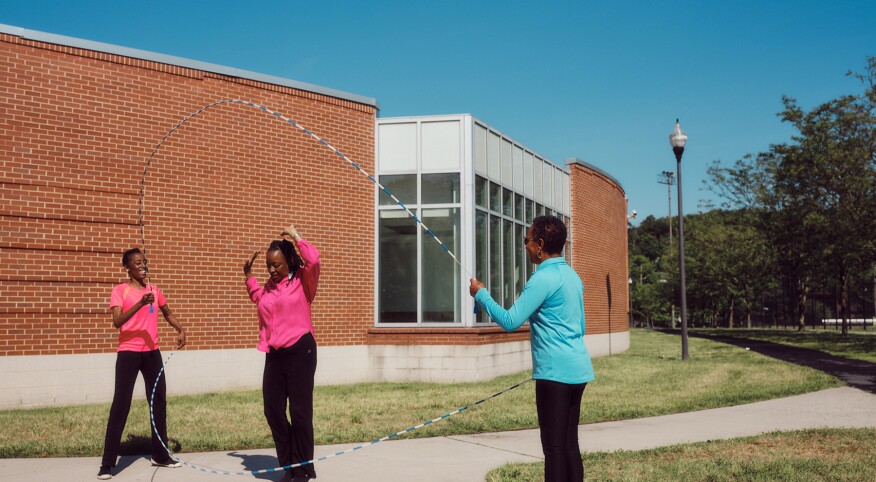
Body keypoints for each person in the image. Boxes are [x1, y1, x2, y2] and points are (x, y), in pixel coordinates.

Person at [469, 215, 594, 482]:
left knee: (554, 448)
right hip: (579, 370)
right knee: (569, 444)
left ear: (539, 244)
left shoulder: (542, 278)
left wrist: (481, 294)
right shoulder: (572, 276)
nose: (524, 246)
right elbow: (581, 327)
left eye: (526, 240)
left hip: (554, 375)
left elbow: (511, 321)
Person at [98, 248, 187, 480]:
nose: (143, 265)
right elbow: (117, 321)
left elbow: (167, 313)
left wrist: (180, 329)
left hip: (152, 354)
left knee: (158, 402)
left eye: (144, 261)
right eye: (137, 263)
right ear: (127, 267)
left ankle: (160, 455)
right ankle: (107, 464)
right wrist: (139, 304)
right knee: (121, 405)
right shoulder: (120, 290)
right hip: (128, 353)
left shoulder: (154, 290)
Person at [243, 225, 321, 482]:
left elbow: (314, 259)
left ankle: (302, 470)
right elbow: (258, 297)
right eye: (268, 265)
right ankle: (289, 464)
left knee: (299, 412)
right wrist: (248, 276)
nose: (272, 270)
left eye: (276, 265)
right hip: (274, 353)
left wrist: (296, 236)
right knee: (273, 410)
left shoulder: (303, 280)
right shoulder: (268, 286)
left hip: (301, 350)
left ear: (288, 262)